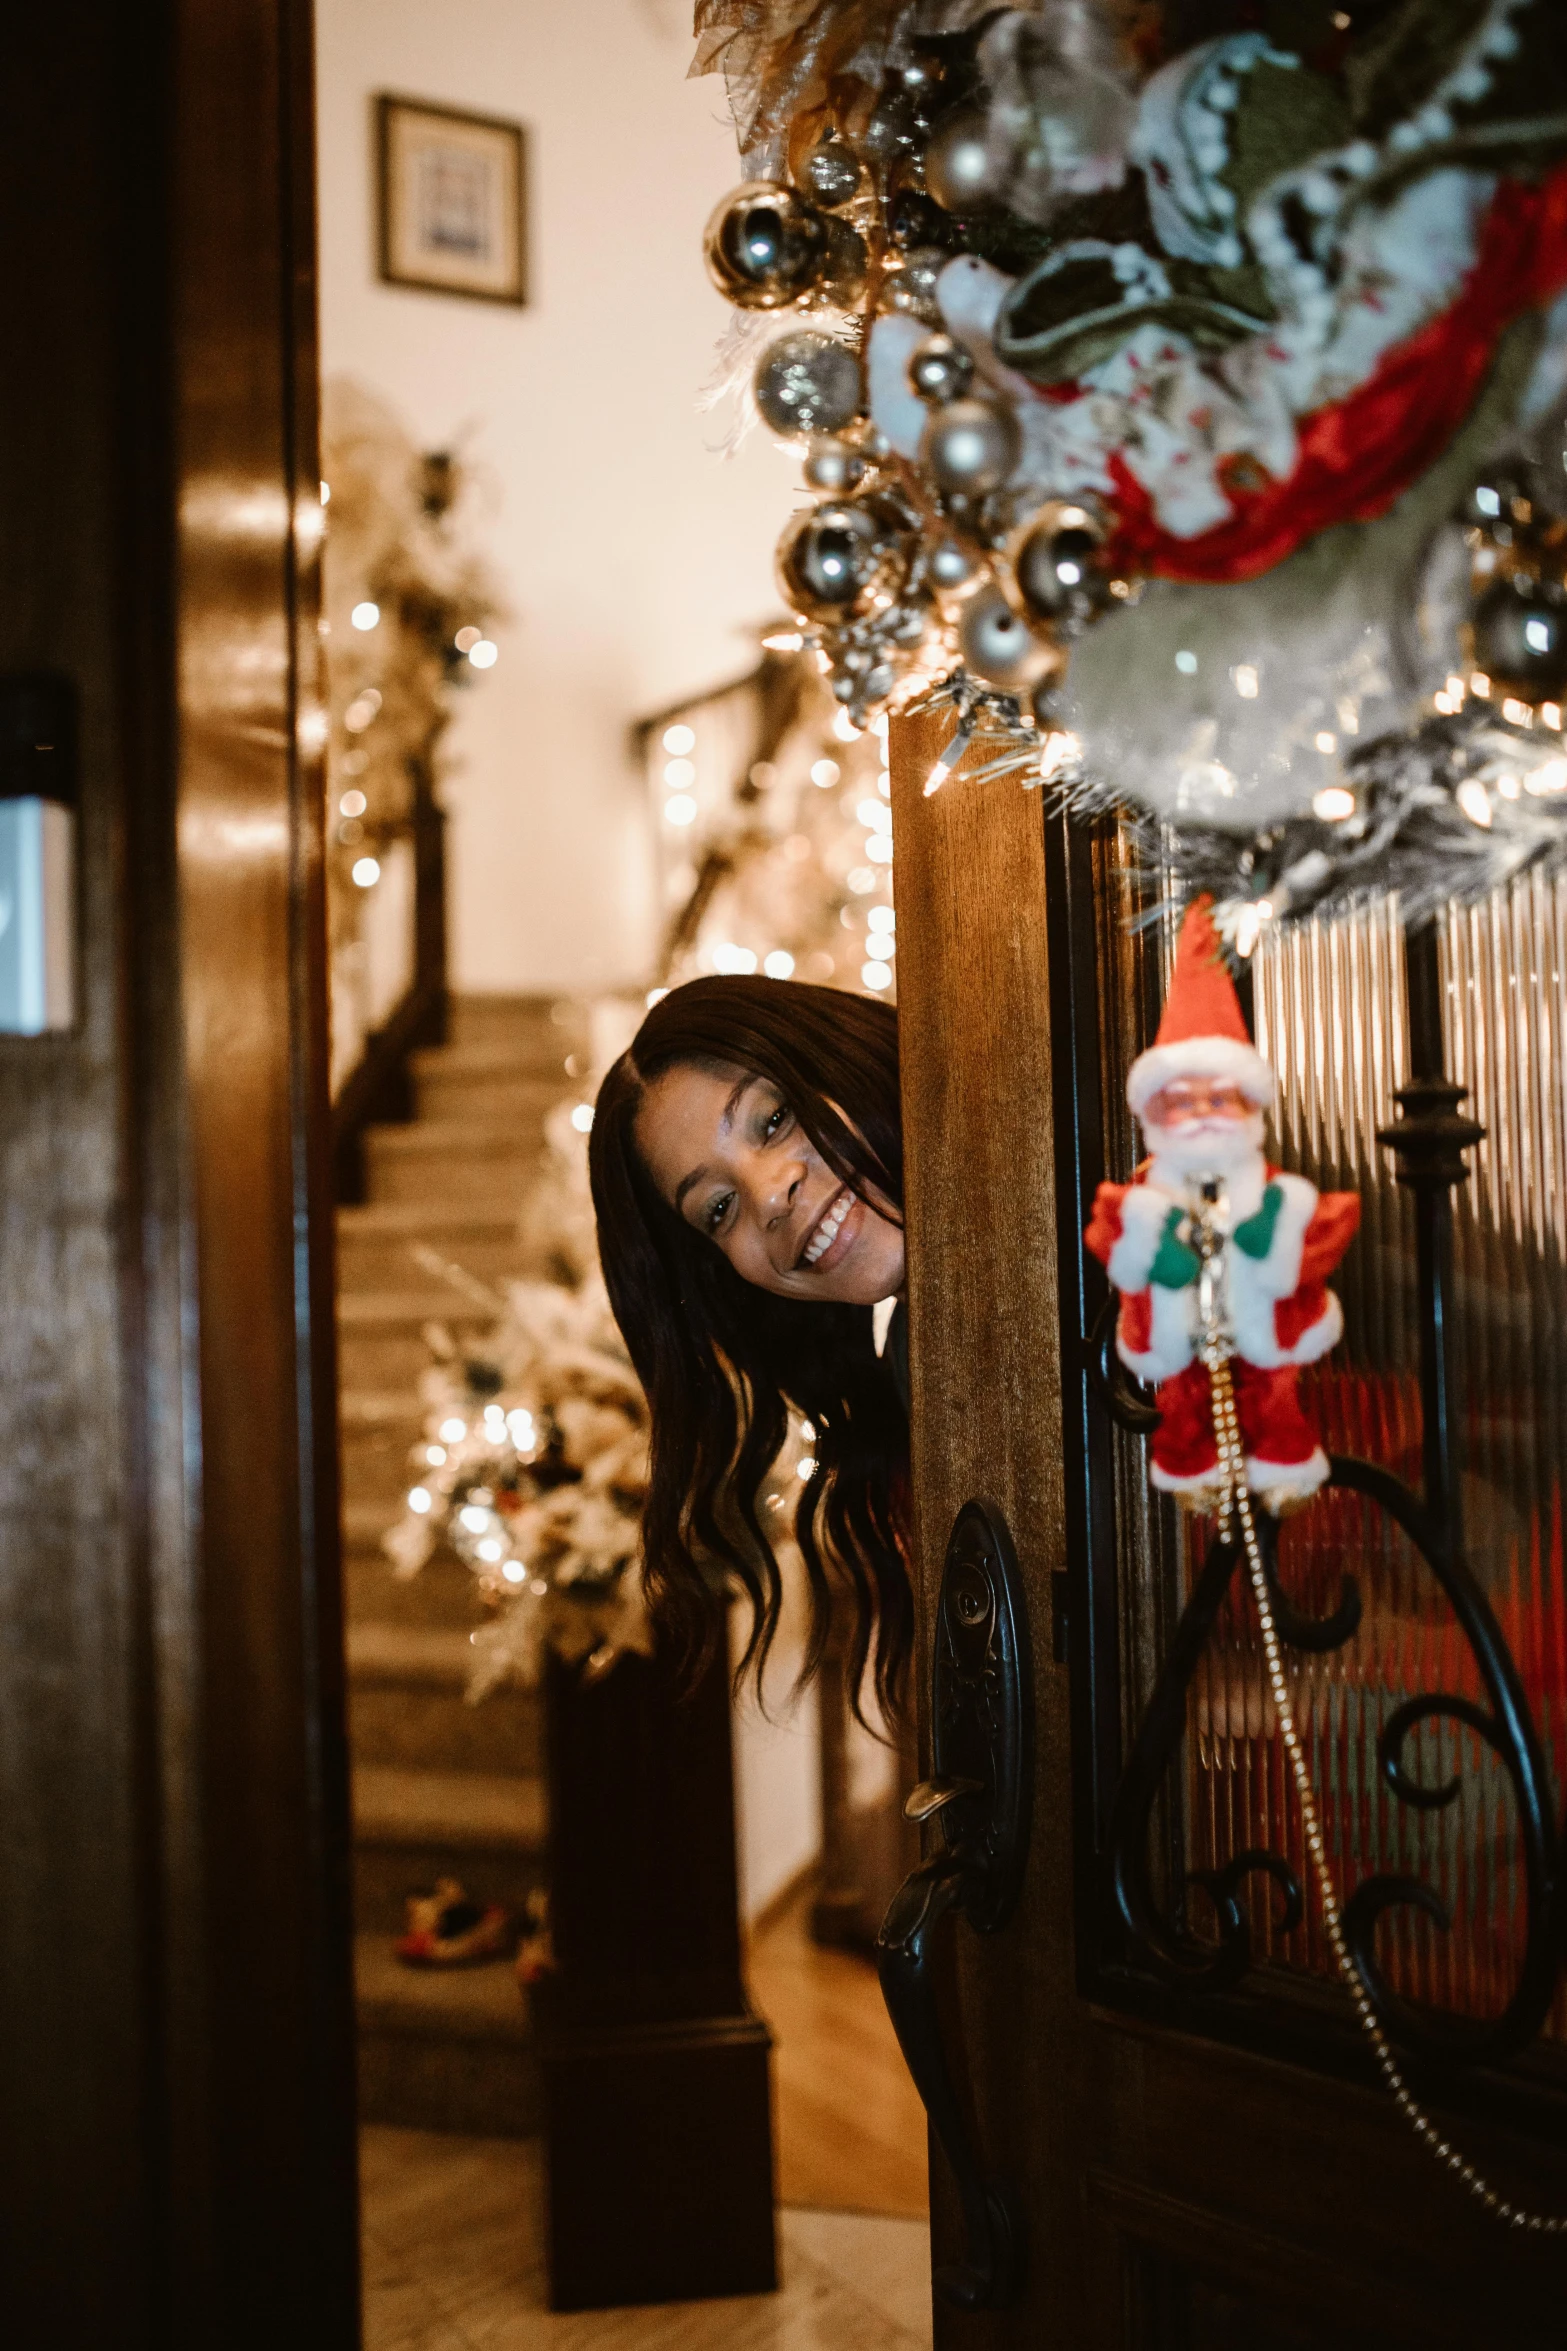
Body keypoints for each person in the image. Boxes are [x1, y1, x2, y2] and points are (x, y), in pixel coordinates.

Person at [589, 975, 913, 1716]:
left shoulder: (1128, 1213)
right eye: (720, 1207)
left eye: (772, 1120)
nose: (770, 1193)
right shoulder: (910, 1401)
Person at [1085, 898, 1359, 1509]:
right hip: (1185, 1342)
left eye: (1219, 1100)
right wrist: (1157, 1250)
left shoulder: (1270, 1188)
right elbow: (1114, 1238)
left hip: (1260, 1331)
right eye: (1183, 1102)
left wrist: (1268, 1235)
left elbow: (1318, 1227)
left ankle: (1284, 1463)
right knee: (1180, 1404)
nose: (1202, 1114)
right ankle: (1191, 1469)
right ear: (1156, 1110)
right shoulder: (1147, 1195)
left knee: (1275, 1391)